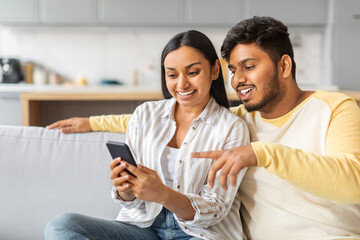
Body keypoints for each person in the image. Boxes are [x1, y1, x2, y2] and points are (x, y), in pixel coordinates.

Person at [47, 17, 360, 239]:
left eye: (249, 67)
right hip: (147, 226)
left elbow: (353, 183)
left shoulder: (333, 108)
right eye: (234, 70)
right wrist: (91, 123)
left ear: (284, 66)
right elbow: (152, 119)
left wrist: (261, 154)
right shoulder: (244, 118)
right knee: (64, 226)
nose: (238, 80)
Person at [44, 30, 249, 240]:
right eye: (172, 74)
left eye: (192, 72)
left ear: (215, 70)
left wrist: (163, 194)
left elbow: (216, 208)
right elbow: (131, 201)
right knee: (63, 226)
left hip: (200, 233)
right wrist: (125, 188)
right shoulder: (145, 115)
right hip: (143, 228)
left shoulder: (232, 128)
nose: (181, 84)